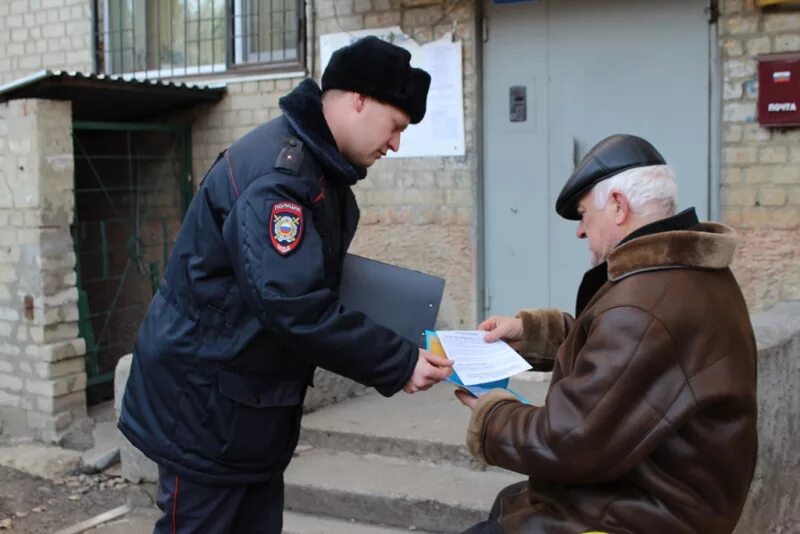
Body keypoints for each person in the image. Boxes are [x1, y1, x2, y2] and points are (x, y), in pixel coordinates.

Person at [118, 36, 452, 533]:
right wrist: (396, 361)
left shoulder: (319, 172)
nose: (396, 144)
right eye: (396, 126)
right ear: (358, 99)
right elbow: (292, 303)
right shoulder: (281, 179)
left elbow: (304, 284)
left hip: (244, 415)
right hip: (206, 414)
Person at [456, 134, 758, 533]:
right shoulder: (685, 273)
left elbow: (565, 441)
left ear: (618, 205)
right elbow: (630, 360)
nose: (580, 232)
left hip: (640, 516)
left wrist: (490, 413)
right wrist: (531, 334)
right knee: (506, 506)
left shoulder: (646, 302)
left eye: (583, 215)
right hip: (655, 497)